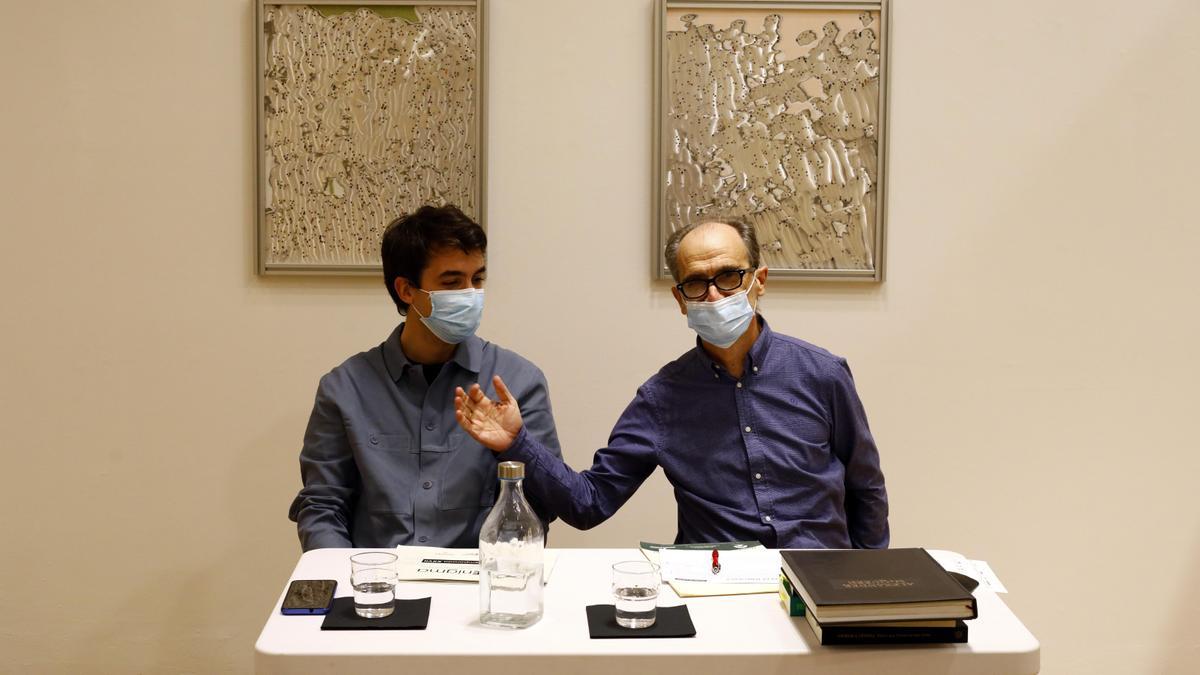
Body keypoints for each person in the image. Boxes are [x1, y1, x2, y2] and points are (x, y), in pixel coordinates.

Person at [454, 219, 888, 549]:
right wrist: (515, 441)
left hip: (817, 582)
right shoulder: (662, 398)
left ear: (759, 282)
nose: (714, 296)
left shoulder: (822, 373)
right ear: (681, 300)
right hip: (717, 593)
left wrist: (863, 590)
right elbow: (588, 503)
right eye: (697, 284)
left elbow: (865, 488)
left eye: (729, 277)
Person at [289, 205, 562, 550]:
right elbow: (323, 507)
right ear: (406, 290)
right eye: (452, 283)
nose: (470, 295)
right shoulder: (344, 389)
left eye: (477, 279)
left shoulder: (517, 381)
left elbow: (544, 505)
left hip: (480, 587)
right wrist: (345, 581)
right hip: (377, 587)